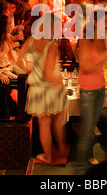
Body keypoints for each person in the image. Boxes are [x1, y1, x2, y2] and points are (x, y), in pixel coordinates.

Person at [17, 13, 68, 164]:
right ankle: (61, 148)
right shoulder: (51, 45)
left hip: (37, 89)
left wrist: (30, 71)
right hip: (50, 88)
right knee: (58, 120)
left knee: (44, 124)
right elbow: (48, 72)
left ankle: (48, 156)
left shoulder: (31, 40)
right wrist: (60, 83)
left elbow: (19, 60)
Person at [75, 8, 107, 175]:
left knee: (92, 128)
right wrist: (105, 55)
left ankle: (88, 155)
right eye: (105, 21)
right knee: (87, 131)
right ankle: (80, 169)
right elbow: (86, 66)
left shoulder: (99, 39)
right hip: (88, 90)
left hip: (100, 87)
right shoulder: (86, 39)